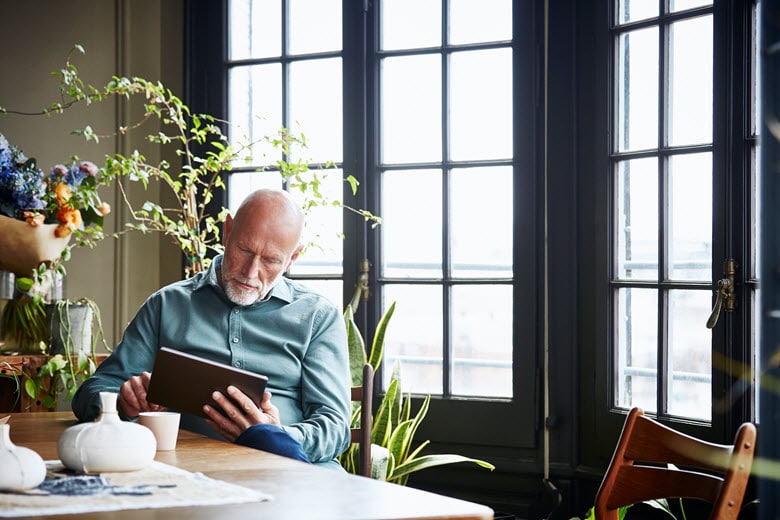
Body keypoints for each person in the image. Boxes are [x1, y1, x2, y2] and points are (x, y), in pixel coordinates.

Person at [71, 189, 352, 468]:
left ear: (293, 258)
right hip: (187, 473)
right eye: (244, 249)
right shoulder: (167, 304)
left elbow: (336, 428)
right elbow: (92, 392)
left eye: (270, 260)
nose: (251, 272)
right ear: (227, 231)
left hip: (292, 475)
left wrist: (277, 437)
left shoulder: (318, 317)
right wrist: (123, 403)